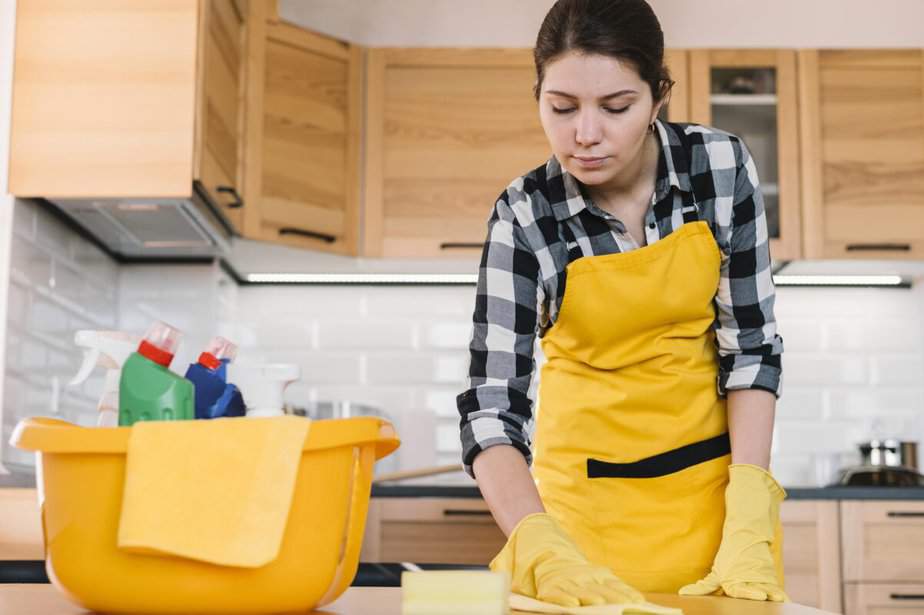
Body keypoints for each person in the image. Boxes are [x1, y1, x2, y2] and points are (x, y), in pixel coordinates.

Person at [456, 0, 788, 607]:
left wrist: (749, 512)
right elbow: (490, 405)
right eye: (560, 107)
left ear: (659, 96)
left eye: (616, 107)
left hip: (714, 514)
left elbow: (751, 348)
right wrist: (539, 545)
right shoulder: (526, 213)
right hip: (580, 524)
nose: (584, 134)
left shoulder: (718, 167)